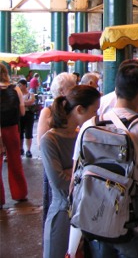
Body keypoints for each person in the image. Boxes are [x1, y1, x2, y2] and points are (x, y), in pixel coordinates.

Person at [73, 64, 138, 257]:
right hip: (136, 225)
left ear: (117, 89)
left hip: (95, 220)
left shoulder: (89, 126)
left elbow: (74, 180)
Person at [41, 85, 100, 258]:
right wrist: (83, 173)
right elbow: (59, 182)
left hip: (84, 212)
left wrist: (73, 172)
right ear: (80, 110)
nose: (96, 116)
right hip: (62, 213)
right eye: (94, 111)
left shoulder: (82, 135)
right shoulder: (49, 140)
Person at [36, 72, 77, 224]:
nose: (75, 90)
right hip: (55, 166)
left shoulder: (72, 111)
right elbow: (41, 142)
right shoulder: (47, 112)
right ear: (61, 90)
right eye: (72, 87)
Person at [0, 63, 28, 208]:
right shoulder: (15, 89)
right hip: (12, 128)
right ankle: (20, 194)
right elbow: (22, 112)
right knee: (15, 160)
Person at [17, 79, 36, 157]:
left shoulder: (31, 94)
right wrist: (24, 103)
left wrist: (21, 103)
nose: (19, 87)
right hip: (20, 115)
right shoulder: (17, 94)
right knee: (20, 132)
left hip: (28, 115)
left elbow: (30, 102)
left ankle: (28, 150)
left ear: (25, 85)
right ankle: (21, 148)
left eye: (20, 85)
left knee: (28, 132)